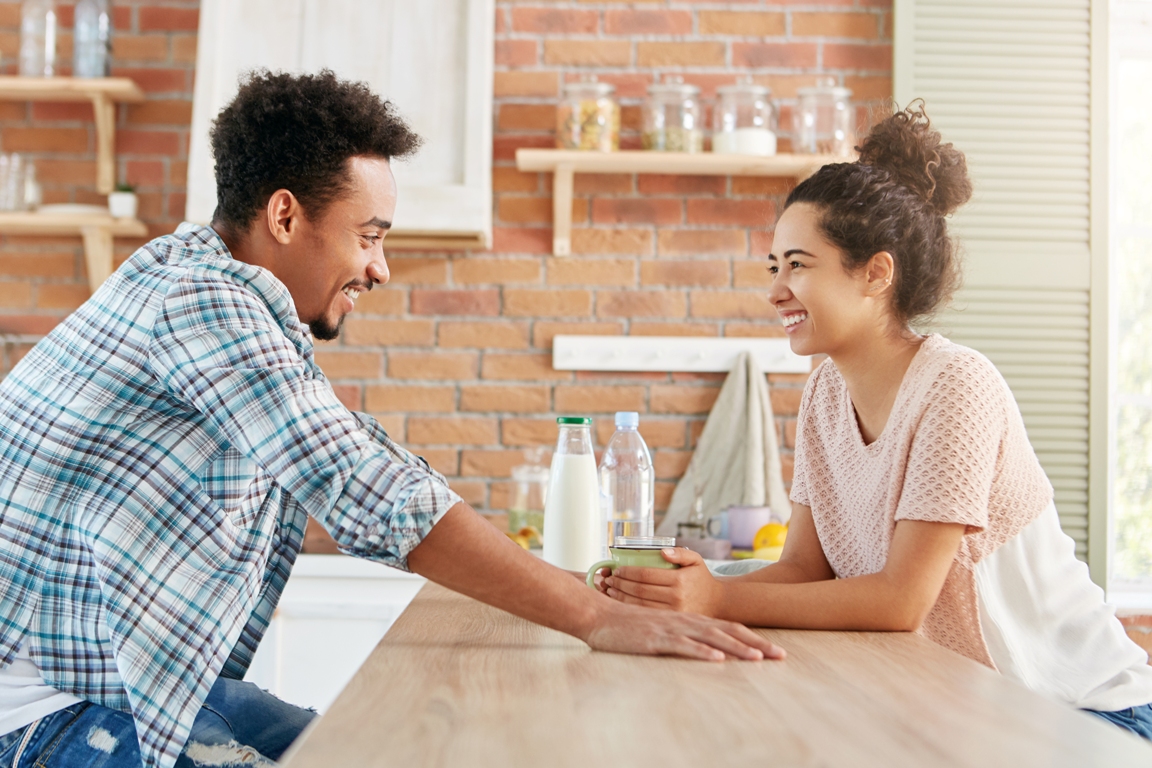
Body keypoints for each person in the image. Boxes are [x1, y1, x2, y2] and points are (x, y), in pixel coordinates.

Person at [0, 70, 784, 768]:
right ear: (283, 216)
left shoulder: (200, 283)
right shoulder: (204, 303)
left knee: (360, 740)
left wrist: (489, 555)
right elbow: (359, 481)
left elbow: (315, 482)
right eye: (369, 236)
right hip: (44, 717)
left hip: (108, 681)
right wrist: (595, 616)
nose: (378, 267)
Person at [599, 104, 1152, 740]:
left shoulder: (957, 385)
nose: (776, 289)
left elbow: (898, 600)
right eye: (773, 267)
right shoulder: (824, 395)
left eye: (799, 265)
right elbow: (803, 570)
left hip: (1087, 716)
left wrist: (717, 597)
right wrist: (683, 582)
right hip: (980, 710)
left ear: (876, 274)